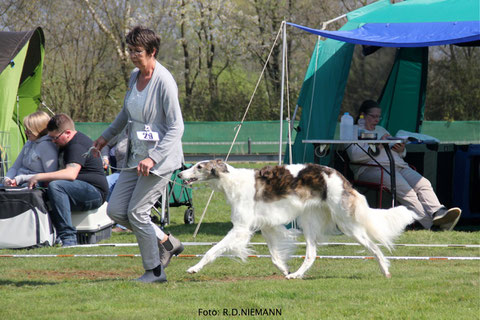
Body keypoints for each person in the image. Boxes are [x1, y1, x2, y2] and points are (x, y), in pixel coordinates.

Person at [93, 26, 184, 283]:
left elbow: (177, 127)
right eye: (130, 50)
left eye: (138, 51)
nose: (133, 55)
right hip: (135, 158)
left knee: (137, 213)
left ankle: (154, 271)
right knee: (116, 211)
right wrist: (104, 138)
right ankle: (166, 242)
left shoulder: (165, 81)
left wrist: (153, 157)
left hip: (159, 161)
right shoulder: (134, 76)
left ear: (152, 52)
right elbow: (126, 113)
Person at [347, 100, 461, 231]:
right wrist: (379, 144)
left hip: (398, 164)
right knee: (408, 192)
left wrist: (400, 149)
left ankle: (439, 213)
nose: (377, 120)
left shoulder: (380, 129)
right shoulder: (352, 131)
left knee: (424, 183)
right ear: (363, 115)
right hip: (373, 168)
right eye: (373, 116)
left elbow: (397, 152)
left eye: (379, 116)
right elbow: (355, 156)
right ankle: (431, 226)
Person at [28, 113, 109, 247]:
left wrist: (39, 176)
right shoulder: (67, 143)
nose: (53, 141)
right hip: (78, 188)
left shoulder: (76, 145)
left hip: (95, 193)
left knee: (56, 186)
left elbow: (71, 174)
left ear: (67, 133)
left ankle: (68, 238)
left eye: (55, 138)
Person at [2, 111, 58, 187]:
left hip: (33, 185)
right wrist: (7, 178)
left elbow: (50, 175)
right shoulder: (29, 142)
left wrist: (20, 178)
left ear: (38, 130)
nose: (25, 132)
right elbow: (15, 166)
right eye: (26, 129)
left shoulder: (47, 146)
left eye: (29, 131)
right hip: (18, 180)